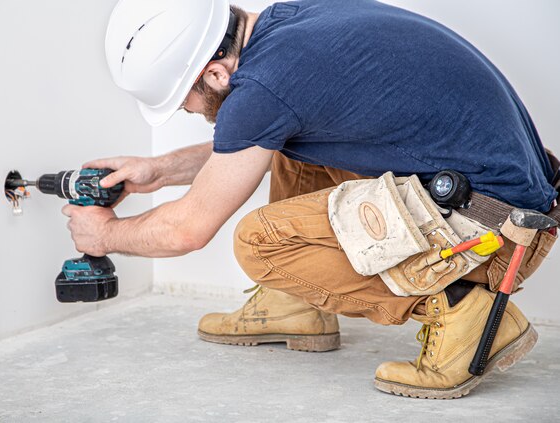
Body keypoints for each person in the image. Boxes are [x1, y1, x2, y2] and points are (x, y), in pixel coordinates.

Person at [62, 0, 558, 399]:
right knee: (295, 149)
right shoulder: (290, 27)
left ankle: (462, 311)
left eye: (183, 100)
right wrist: (158, 169)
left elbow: (188, 229)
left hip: (492, 233)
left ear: (215, 74)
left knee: (259, 243)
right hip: (514, 206)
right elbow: (251, 138)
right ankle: (293, 304)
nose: (189, 112)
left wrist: (104, 234)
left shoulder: (263, 87)